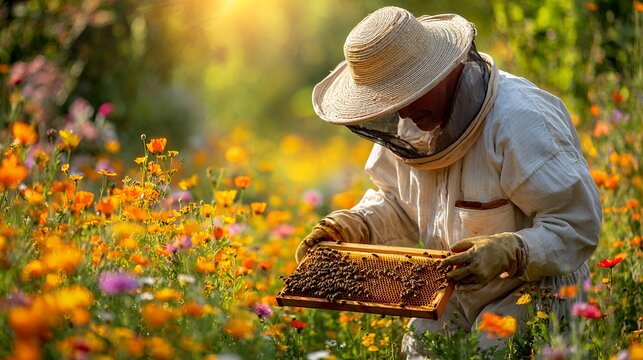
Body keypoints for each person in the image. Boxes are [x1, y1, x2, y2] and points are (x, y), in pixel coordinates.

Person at [295, 5, 602, 358]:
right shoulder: (410, 127)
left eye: (408, 94)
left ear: (442, 70)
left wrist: (511, 251)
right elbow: (399, 202)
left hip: (537, 290)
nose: (404, 112)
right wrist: (354, 226)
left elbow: (577, 223)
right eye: (390, 101)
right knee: (419, 349)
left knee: (494, 350)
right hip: (453, 291)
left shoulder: (521, 120)